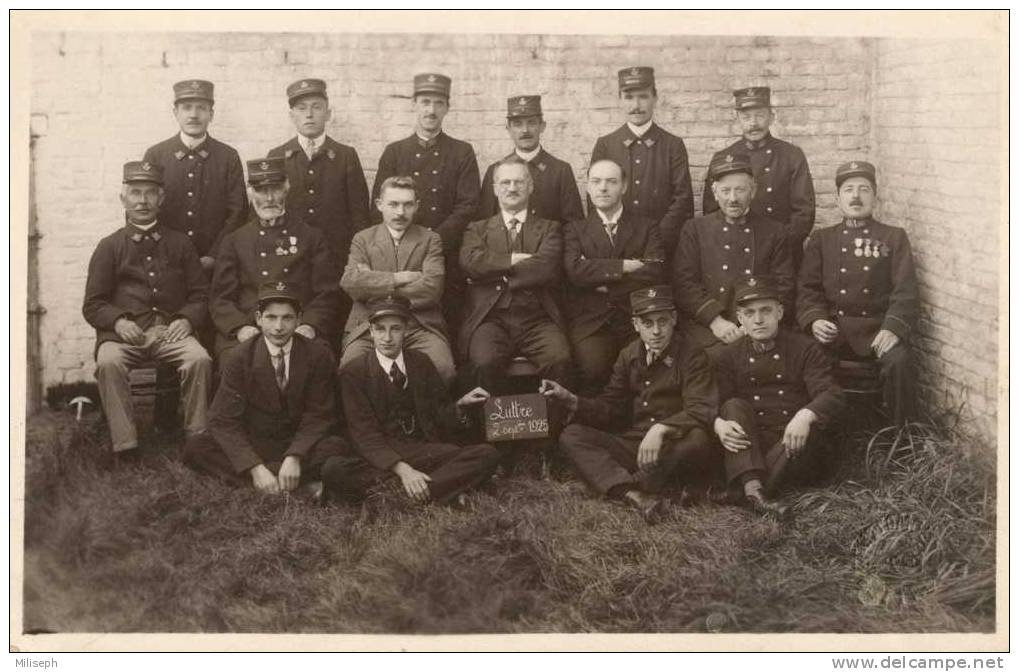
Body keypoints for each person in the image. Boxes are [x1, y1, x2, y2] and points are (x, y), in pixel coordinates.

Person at [542, 286, 717, 525]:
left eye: (663, 321)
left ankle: (626, 482)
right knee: (572, 435)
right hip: (635, 441)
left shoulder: (692, 354)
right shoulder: (629, 355)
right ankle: (634, 494)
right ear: (635, 325)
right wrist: (573, 400)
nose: (656, 331)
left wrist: (661, 429)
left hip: (673, 442)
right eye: (647, 323)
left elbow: (701, 408)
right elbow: (611, 408)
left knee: (698, 441)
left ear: (674, 319)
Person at [82, 161, 212, 458]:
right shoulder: (109, 246)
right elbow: (93, 304)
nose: (142, 200)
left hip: (170, 333)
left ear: (162, 199)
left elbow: (200, 294)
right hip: (124, 337)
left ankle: (198, 439)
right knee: (108, 363)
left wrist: (186, 320)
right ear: (123, 199)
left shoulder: (180, 243)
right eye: (135, 193)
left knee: (200, 359)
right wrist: (117, 323)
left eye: (150, 193)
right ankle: (126, 444)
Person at [328, 296, 501, 506]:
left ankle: (399, 496)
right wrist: (405, 471)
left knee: (486, 454)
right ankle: (441, 491)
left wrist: (459, 406)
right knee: (335, 469)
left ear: (406, 331)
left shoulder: (421, 362)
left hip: (422, 450)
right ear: (370, 331)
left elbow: (439, 414)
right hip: (380, 455)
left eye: (395, 329)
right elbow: (364, 435)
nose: (387, 337)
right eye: (380, 329)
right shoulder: (354, 372)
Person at [183, 281, 346, 494]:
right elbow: (223, 420)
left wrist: (295, 456)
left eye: (287, 318)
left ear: (299, 320)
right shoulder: (240, 356)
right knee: (197, 448)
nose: (278, 327)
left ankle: (268, 484)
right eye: (271, 317)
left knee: (337, 447)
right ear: (259, 319)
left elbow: (319, 415)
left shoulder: (318, 355)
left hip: (301, 441)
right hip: (257, 442)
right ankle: (294, 486)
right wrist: (254, 467)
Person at [797, 160, 919, 426]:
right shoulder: (822, 239)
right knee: (804, 357)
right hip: (835, 330)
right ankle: (819, 435)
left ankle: (901, 439)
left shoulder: (893, 237)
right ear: (839, 198)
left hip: (878, 330)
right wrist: (815, 320)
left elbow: (905, 291)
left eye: (863, 189)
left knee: (898, 362)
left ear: (875, 196)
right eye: (848, 189)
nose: (855, 196)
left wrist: (892, 330)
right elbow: (808, 289)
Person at [714, 277, 846, 517]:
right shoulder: (728, 355)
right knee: (733, 406)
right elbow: (717, 402)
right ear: (740, 318)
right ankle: (756, 493)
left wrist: (805, 416)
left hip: (792, 441)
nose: (758, 319)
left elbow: (832, 393)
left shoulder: (805, 348)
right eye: (750, 312)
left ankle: (744, 490)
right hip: (752, 441)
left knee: (811, 433)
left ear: (780, 312)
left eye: (766, 310)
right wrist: (719, 423)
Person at [372, 73, 480, 323]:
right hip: (401, 253)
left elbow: (468, 206)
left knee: (450, 318)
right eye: (425, 102)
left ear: (447, 108)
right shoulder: (395, 152)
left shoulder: (462, 152)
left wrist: (434, 243)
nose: (431, 110)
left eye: (438, 103)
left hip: (447, 252)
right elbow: (378, 208)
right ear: (414, 105)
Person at [459, 156, 572, 393]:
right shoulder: (477, 229)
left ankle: (556, 428)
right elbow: (470, 263)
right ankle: (488, 429)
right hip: (491, 318)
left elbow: (546, 267)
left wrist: (493, 274)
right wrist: (513, 260)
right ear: (495, 189)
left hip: (538, 318)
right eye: (505, 182)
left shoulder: (550, 228)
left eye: (519, 182)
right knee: (482, 362)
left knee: (559, 360)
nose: (512, 188)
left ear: (530, 186)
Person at [210, 157, 339, 362]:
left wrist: (310, 325)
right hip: (250, 327)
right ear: (251, 193)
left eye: (276, 189)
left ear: (287, 188)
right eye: (261, 190)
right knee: (233, 362)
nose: (269, 198)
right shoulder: (235, 240)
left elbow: (327, 292)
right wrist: (240, 327)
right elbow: (221, 298)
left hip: (296, 327)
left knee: (320, 361)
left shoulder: (311, 237)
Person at [674, 152, 794, 358]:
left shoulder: (774, 231)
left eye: (740, 190)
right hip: (707, 326)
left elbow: (784, 285)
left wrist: (752, 325)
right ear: (714, 192)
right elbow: (684, 283)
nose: (733, 199)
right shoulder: (695, 229)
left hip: (758, 326)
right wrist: (715, 321)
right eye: (725, 190)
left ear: (753, 191)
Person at [339, 176, 455, 383]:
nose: (400, 212)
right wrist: (397, 278)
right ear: (379, 205)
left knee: (443, 369)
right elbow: (351, 283)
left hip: (417, 324)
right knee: (350, 369)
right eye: (393, 204)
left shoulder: (430, 239)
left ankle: (424, 416)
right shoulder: (363, 239)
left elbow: (431, 289)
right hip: (369, 325)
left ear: (416, 206)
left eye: (407, 204)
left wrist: (371, 282)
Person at [564, 158, 665, 394]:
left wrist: (602, 282)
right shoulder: (574, 229)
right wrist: (623, 266)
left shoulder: (647, 226)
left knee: (643, 370)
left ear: (624, 186)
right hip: (591, 322)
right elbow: (574, 272)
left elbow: (655, 270)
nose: (603, 188)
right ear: (587, 187)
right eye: (596, 181)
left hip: (636, 318)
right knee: (592, 370)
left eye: (611, 181)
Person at [702, 87, 815, 271]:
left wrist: (778, 245)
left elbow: (804, 213)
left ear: (771, 117)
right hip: (735, 250)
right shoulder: (723, 157)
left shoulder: (791, 155)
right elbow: (711, 211)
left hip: (781, 252)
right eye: (746, 117)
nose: (753, 123)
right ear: (737, 119)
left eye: (760, 116)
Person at [590, 66, 694, 259]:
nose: (636, 105)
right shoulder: (605, 145)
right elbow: (596, 198)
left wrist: (656, 239)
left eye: (643, 96)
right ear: (619, 100)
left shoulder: (673, 145)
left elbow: (683, 199)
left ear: (655, 98)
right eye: (629, 98)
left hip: (662, 246)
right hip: (616, 248)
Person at [142, 79, 247, 271]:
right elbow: (142, 209)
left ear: (211, 114)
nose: (194, 115)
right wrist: (161, 252)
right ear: (176, 113)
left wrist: (215, 255)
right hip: (166, 263)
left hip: (216, 265)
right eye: (187, 107)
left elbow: (238, 213)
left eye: (201, 108)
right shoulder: (156, 155)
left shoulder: (227, 156)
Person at [267, 78, 370, 269]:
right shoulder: (277, 156)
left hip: (335, 256)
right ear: (292, 116)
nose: (309, 115)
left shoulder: (346, 155)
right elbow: (267, 211)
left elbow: (360, 214)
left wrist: (358, 257)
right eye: (301, 108)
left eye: (316, 107)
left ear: (328, 113)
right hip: (290, 255)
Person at [477, 95, 584, 225]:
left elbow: (574, 226)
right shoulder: (495, 170)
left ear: (542, 126)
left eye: (531, 122)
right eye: (517, 124)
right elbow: (483, 224)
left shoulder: (560, 171)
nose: (525, 130)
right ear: (508, 129)